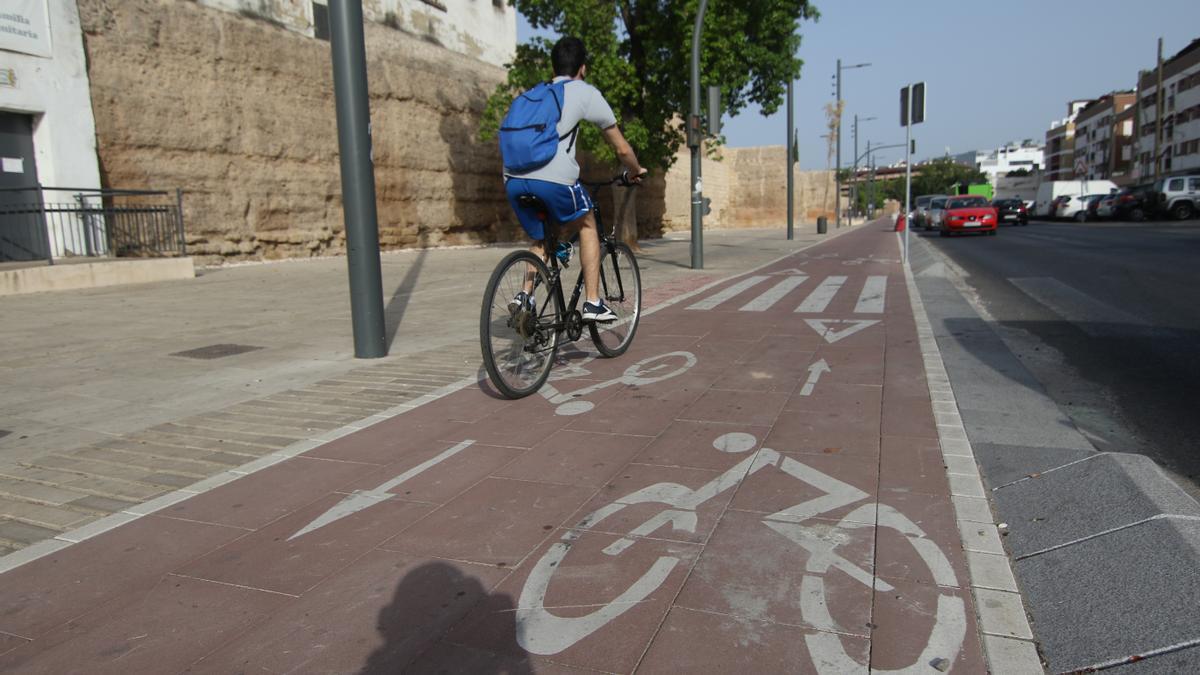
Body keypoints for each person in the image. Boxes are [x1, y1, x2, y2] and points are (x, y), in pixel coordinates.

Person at [504, 36, 647, 322]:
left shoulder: (534, 93)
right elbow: (621, 148)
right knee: (587, 219)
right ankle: (593, 303)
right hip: (552, 178)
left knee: (543, 234)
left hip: (513, 178)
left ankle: (525, 296)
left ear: (553, 67)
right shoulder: (583, 91)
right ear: (583, 68)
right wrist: (635, 170)